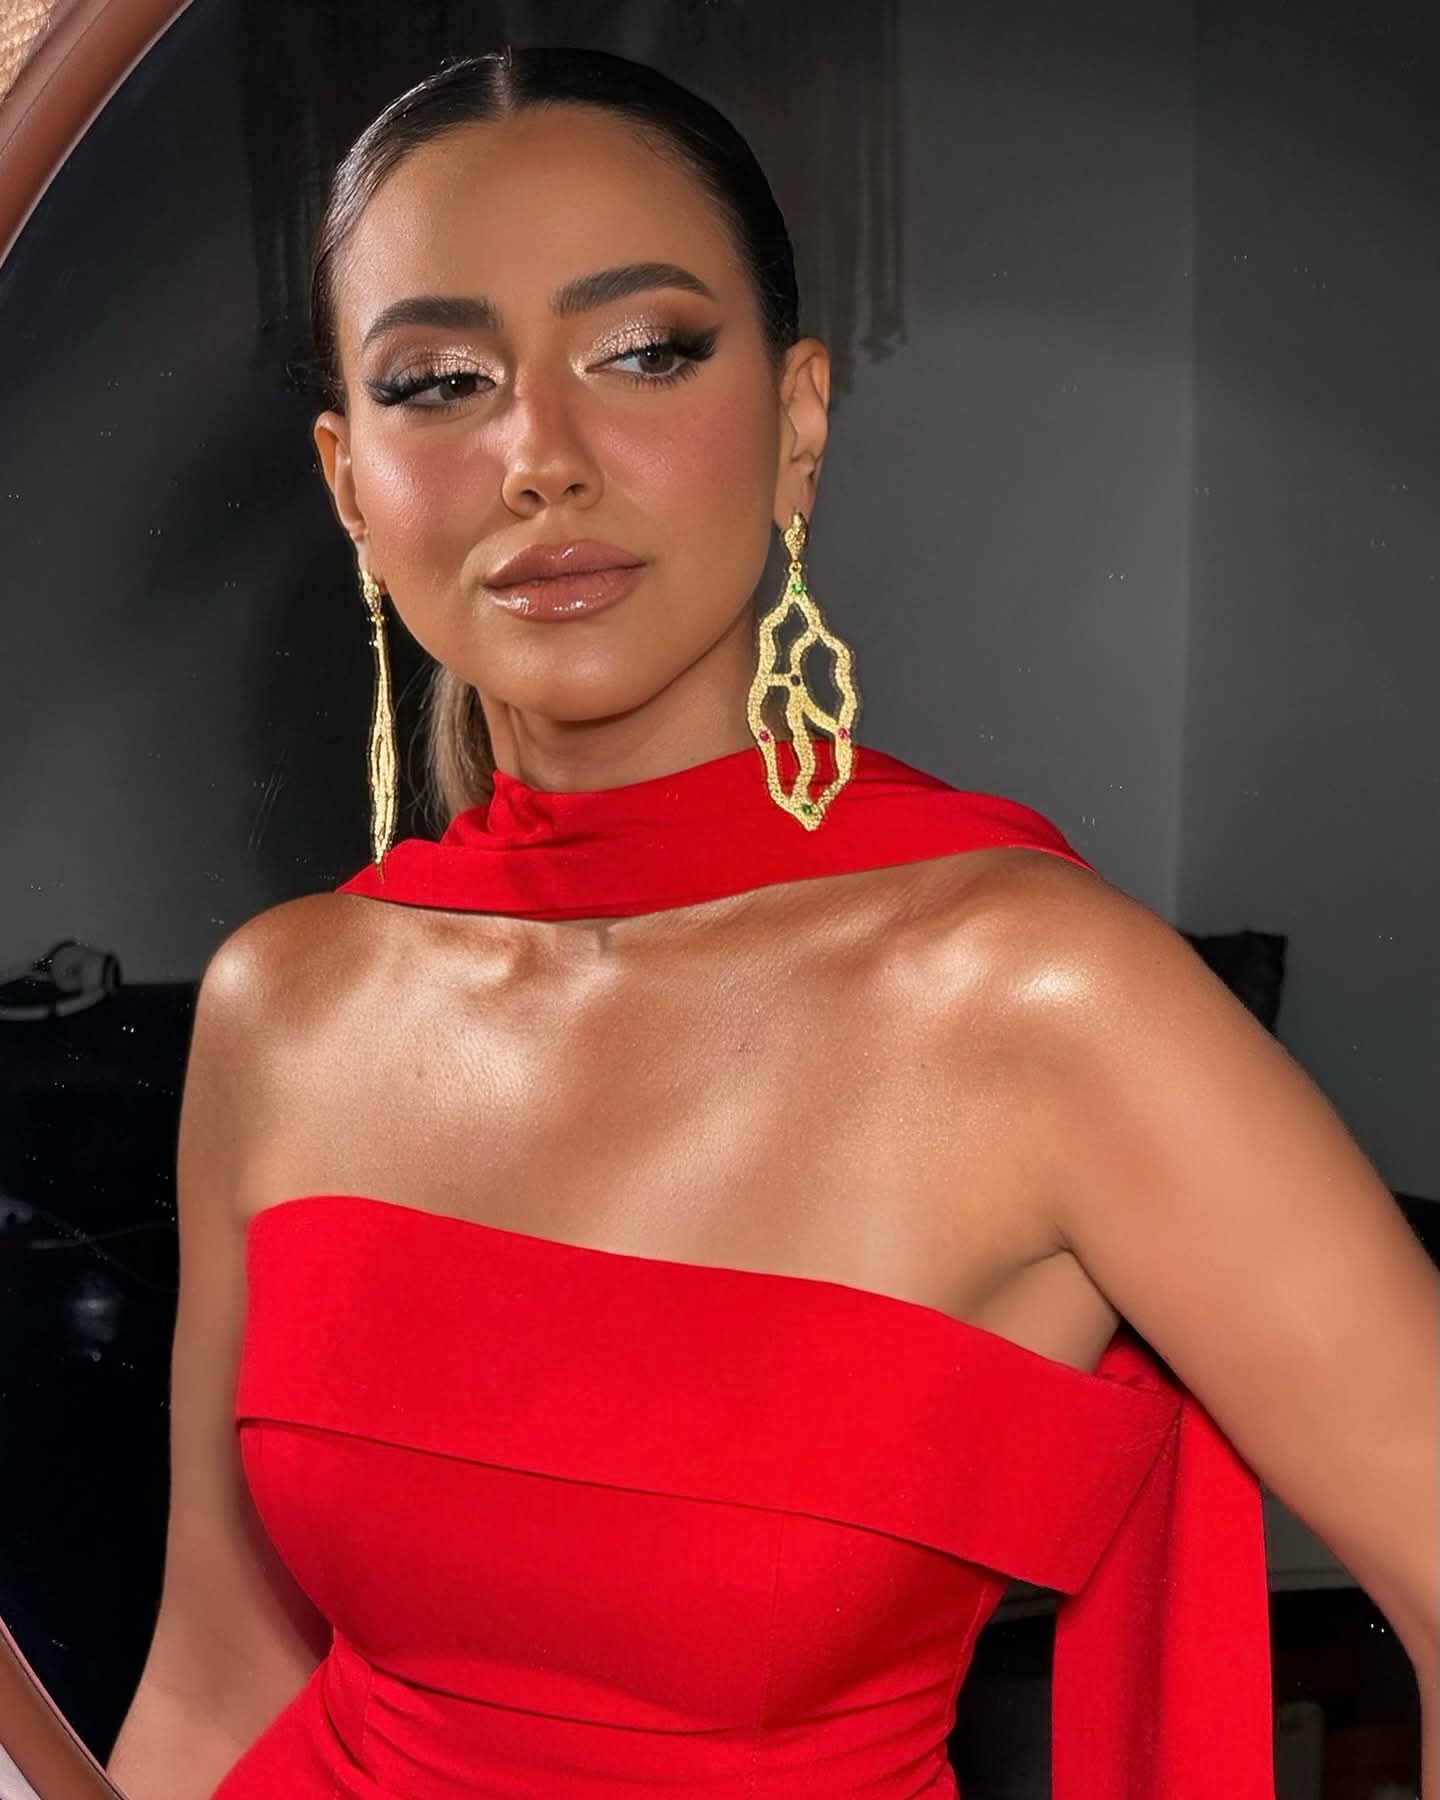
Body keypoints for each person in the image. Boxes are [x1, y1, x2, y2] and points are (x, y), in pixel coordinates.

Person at [106, 43, 1437, 1800]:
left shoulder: (1042, 999)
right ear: (351, 483)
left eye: (643, 352)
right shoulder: (283, 1006)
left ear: (798, 420)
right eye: (440, 383)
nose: (539, 458)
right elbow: (215, 1682)